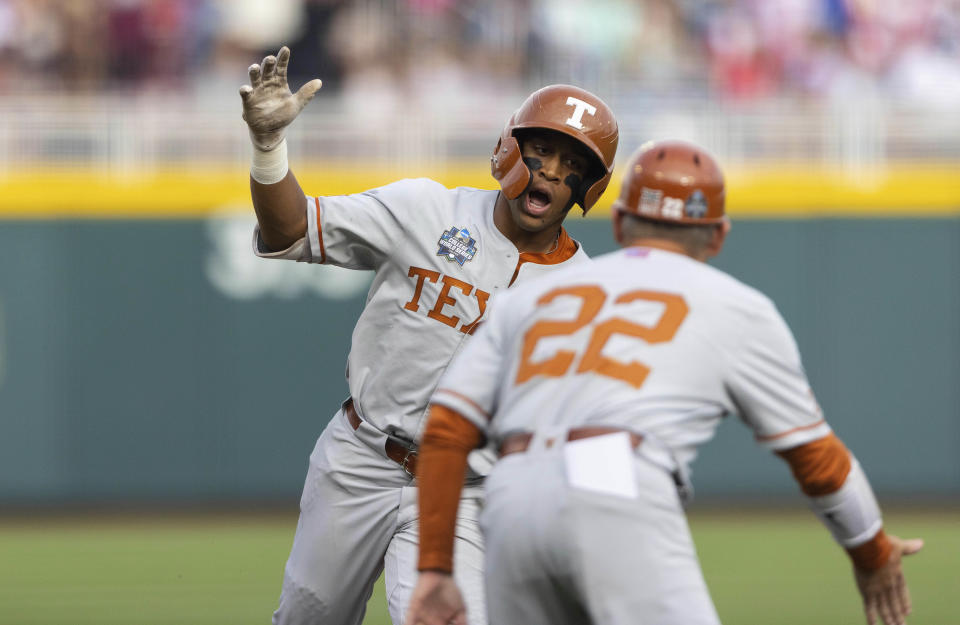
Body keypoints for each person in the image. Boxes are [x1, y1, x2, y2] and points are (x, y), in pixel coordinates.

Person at [406, 140, 923, 625]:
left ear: (623, 221)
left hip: (510, 494)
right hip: (615, 477)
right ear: (718, 235)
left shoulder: (534, 298)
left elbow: (447, 430)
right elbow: (816, 459)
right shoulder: (736, 306)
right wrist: (872, 553)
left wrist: (433, 568)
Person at [238, 46, 619, 625]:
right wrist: (268, 148)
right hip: (361, 459)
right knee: (307, 616)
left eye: (573, 164)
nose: (551, 171)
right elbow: (290, 229)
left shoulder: (585, 295)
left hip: (466, 491)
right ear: (509, 149)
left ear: (588, 187)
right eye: (542, 150)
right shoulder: (426, 210)